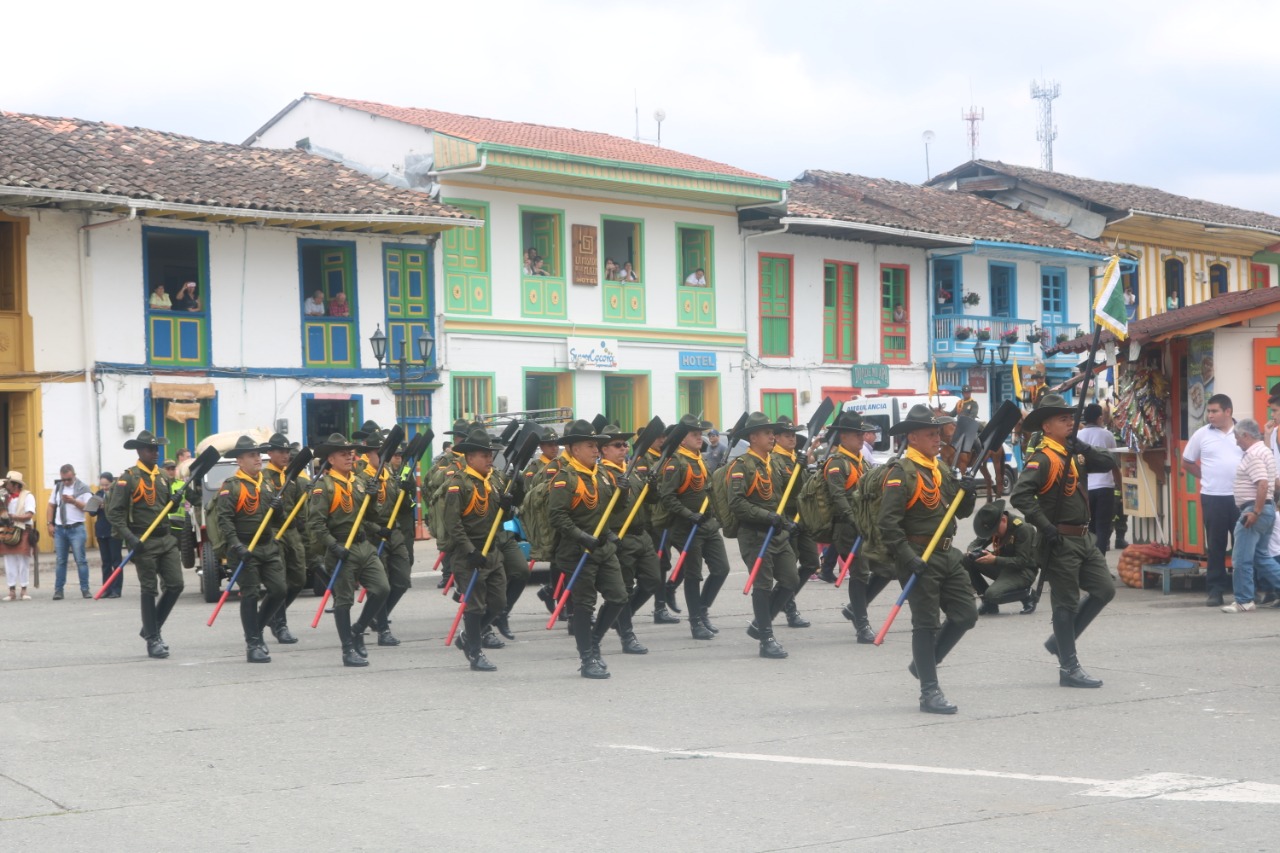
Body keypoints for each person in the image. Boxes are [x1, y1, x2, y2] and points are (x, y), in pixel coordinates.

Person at [1011, 393, 1117, 689]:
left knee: (1104, 589)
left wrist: (1081, 446)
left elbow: (1108, 462)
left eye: (1072, 418)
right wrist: (1045, 527)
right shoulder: (1043, 458)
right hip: (1059, 539)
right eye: (1063, 419)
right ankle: (1068, 667)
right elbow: (1020, 495)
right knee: (1065, 603)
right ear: (1047, 426)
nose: (1070, 422)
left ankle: (1061, 641)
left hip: (1084, 537)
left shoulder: (1072, 454)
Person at [877, 405, 978, 714]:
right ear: (913, 437)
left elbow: (959, 512)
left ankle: (924, 664)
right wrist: (907, 557)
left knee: (965, 614)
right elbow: (887, 523)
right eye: (931, 434)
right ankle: (929, 691)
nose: (938, 439)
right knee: (926, 624)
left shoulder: (941, 469)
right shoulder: (900, 473)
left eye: (938, 433)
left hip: (947, 553)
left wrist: (969, 492)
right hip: (917, 556)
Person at [548, 419, 629, 679]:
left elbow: (610, 511)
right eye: (590, 445)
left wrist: (624, 494)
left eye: (597, 445)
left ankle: (594, 642)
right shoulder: (564, 478)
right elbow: (557, 517)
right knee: (584, 605)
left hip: (603, 547)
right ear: (573, 448)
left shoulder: (603, 474)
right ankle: (587, 658)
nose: (596, 450)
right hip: (577, 551)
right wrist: (582, 537)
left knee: (619, 597)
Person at [306, 432, 390, 667]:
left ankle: (358, 629)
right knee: (344, 601)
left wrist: (373, 498)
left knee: (382, 588)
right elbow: (315, 524)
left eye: (350, 453)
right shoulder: (324, 487)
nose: (349, 457)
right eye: (343, 454)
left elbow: (369, 516)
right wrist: (333, 546)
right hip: (340, 546)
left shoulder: (359, 481)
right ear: (331, 459)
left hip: (363, 544)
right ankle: (347, 649)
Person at [106, 431, 185, 657]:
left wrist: (174, 502)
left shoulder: (162, 476)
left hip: (166, 538)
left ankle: (152, 627)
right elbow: (114, 513)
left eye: (156, 449)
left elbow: (162, 507)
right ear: (139, 451)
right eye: (150, 449)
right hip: (143, 540)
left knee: (176, 584)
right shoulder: (128, 478)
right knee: (149, 589)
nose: (155, 453)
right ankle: (152, 639)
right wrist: (129, 538)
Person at [726, 412, 796, 659]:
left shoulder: (775, 463)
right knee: (763, 586)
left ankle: (759, 624)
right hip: (755, 534)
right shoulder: (741, 466)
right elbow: (736, 503)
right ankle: (766, 638)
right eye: (767, 433)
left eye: (772, 433)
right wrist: (767, 517)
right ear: (753, 437)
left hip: (777, 532)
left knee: (791, 579)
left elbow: (782, 496)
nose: (772, 437)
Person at [659, 414, 732, 640]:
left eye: (700, 434)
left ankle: (702, 609)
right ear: (682, 439)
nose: (699, 438)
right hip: (686, 527)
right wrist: (689, 515)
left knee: (722, 569)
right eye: (694, 434)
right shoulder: (675, 463)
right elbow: (667, 497)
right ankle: (695, 622)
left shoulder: (700, 459)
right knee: (693, 575)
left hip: (707, 524)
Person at [214, 436, 286, 663]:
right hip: (244, 547)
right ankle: (253, 643)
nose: (258, 459)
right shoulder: (231, 486)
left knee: (279, 589)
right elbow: (224, 520)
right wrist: (236, 545)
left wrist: (279, 507)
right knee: (251, 593)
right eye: (252, 455)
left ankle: (257, 629)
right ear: (240, 460)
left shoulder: (266, 483)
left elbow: (279, 519)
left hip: (267, 545)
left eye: (258, 454)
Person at [442, 428, 508, 672]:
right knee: (475, 605)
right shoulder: (458, 484)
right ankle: (475, 653)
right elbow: (453, 523)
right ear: (469, 458)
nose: (489, 459)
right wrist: (470, 550)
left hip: (492, 551)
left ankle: (468, 637)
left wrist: (510, 504)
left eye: (490, 454)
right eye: (483, 455)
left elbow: (501, 516)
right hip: (468, 554)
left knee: (499, 603)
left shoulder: (494, 481)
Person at [824, 411, 887, 643]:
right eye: (856, 434)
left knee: (886, 568)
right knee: (859, 574)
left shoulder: (860, 461)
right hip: (847, 528)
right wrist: (854, 520)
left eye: (863, 433)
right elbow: (838, 496)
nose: (862, 438)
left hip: (865, 526)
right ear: (843, 437)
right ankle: (862, 625)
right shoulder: (836, 463)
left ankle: (854, 608)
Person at [597, 424, 653, 654]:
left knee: (653, 580)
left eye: (625, 444)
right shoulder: (601, 475)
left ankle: (617, 616)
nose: (623, 448)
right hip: (620, 535)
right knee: (626, 588)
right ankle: (627, 634)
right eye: (617, 445)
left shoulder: (632, 470)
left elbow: (648, 500)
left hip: (642, 534)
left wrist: (654, 484)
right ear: (603, 450)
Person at [1182, 394, 1243, 606]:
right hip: (1213, 497)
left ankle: (1244, 590)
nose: (1210, 415)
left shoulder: (1243, 432)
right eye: (1208, 411)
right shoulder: (1202, 434)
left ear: (1228, 411)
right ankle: (1215, 590)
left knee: (1242, 545)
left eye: (1214, 411)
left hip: (1240, 498)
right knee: (1216, 545)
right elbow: (1187, 462)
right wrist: (1205, 476)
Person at [355, 430, 413, 647]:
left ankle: (376, 615)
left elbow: (404, 508)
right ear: (368, 454)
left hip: (394, 532)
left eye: (385, 452)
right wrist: (376, 528)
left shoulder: (389, 475)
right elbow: (357, 515)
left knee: (401, 581)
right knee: (381, 584)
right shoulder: (362, 479)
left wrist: (406, 492)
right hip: (374, 536)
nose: (383, 456)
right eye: (378, 452)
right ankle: (383, 628)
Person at [1221, 419, 1280, 612]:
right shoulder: (1265, 451)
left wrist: (1255, 511)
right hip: (1265, 509)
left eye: (1237, 437)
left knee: (1241, 558)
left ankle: (1244, 600)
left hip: (1253, 510)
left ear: (1246, 435)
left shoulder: (1253, 454)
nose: (1237, 442)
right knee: (1261, 557)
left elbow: (1262, 483)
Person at [626, 427, 679, 625]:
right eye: (658, 436)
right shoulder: (643, 460)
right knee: (653, 567)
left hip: (663, 518)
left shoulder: (666, 458)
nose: (661, 439)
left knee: (663, 563)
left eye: (664, 436)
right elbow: (643, 491)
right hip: (648, 520)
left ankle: (660, 606)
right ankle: (654, 608)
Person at [770, 415, 816, 629]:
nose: (792, 438)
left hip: (802, 516)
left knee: (811, 562)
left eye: (794, 434)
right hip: (787, 518)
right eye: (787, 435)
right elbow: (781, 492)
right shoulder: (774, 460)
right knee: (790, 567)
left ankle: (783, 599)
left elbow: (805, 488)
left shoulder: (795, 457)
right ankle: (789, 607)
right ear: (776, 437)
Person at [263, 433, 307, 644]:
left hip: (292, 531)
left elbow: (302, 508)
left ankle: (271, 612)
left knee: (298, 579)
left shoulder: (294, 477)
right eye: (280, 451)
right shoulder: (263, 478)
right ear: (270, 453)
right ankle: (280, 625)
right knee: (279, 580)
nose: (285, 455)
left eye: (288, 451)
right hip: (273, 531)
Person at [963, 500, 1037, 615]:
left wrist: (994, 559)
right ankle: (989, 604)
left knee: (993, 594)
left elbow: (1021, 561)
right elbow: (976, 543)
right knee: (967, 559)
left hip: (1023, 571)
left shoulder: (1022, 529)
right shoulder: (994, 525)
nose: (994, 534)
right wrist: (971, 551)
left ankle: (1028, 595)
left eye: (995, 531)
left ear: (1003, 520)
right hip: (1003, 566)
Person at [1077, 403, 1120, 555]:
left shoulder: (1078, 436)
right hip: (1105, 487)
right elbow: (1113, 463)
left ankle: (1091, 564)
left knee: (1090, 527)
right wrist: (1120, 485)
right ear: (1099, 418)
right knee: (1103, 527)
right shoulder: (1107, 435)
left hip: (1085, 488)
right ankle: (1100, 565)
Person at [47, 464, 93, 599]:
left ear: (74, 475)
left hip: (76, 528)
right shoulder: (57, 487)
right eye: (63, 479)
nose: (66, 482)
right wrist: (50, 524)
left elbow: (89, 508)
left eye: (68, 479)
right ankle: (58, 590)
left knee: (81, 560)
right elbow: (50, 506)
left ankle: (85, 589)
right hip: (60, 529)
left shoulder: (83, 488)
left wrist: (74, 501)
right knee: (61, 561)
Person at [2, 471, 36, 600]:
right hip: (7, 530)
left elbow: (29, 514)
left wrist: (12, 517)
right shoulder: (5, 497)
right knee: (9, 560)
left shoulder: (28, 496)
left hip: (23, 530)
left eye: (8, 483)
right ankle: (11, 591)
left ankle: (24, 589)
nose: (6, 485)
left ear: (15, 485)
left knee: (23, 561)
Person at [93, 473, 123, 597]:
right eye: (103, 485)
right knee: (106, 562)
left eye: (107, 485)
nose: (105, 487)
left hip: (114, 531)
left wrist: (108, 506)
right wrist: (97, 507)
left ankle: (116, 589)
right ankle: (106, 588)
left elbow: (121, 509)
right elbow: (91, 512)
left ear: (112, 483)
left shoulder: (117, 494)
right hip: (101, 531)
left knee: (116, 561)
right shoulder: (98, 495)